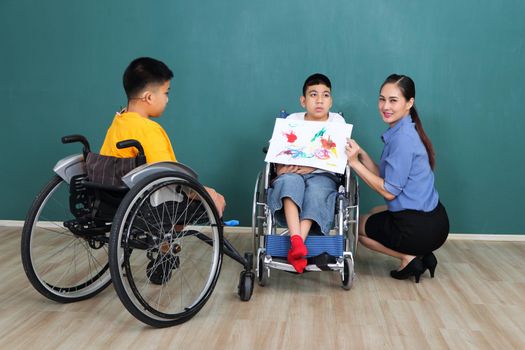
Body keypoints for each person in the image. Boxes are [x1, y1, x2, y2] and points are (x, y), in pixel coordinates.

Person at [346, 74, 449, 283]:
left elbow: (389, 191)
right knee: (375, 211)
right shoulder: (406, 128)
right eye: (382, 99)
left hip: (418, 228)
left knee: (355, 226)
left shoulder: (403, 139)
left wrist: (354, 164)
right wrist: (360, 154)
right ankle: (424, 254)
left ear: (409, 103)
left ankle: (408, 257)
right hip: (436, 220)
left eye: (393, 100)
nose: (385, 106)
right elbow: (387, 176)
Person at [100, 57, 226, 216]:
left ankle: (165, 241)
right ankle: (167, 238)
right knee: (215, 198)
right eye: (165, 93)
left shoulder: (118, 121)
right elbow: (171, 178)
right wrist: (206, 193)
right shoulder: (149, 129)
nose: (167, 99)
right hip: (145, 207)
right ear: (149, 97)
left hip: (113, 200)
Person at [268, 73, 346, 273]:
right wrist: (280, 169)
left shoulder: (337, 122)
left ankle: (297, 244)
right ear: (303, 101)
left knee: (317, 192)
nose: (319, 100)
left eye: (325, 95)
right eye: (313, 95)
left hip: (323, 175)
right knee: (289, 183)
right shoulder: (292, 120)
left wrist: (311, 167)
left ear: (331, 101)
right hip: (293, 172)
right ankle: (297, 242)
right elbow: (277, 148)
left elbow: (339, 156)